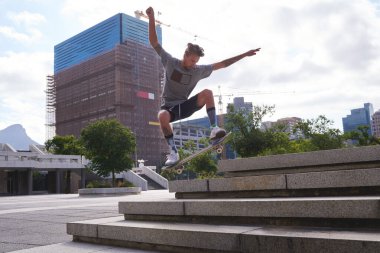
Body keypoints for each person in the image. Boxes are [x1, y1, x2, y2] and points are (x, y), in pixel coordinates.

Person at [146, 6, 261, 166]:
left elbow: (222, 64)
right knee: (161, 116)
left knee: (207, 92)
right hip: (170, 108)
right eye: (193, 61)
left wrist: (244, 55)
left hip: (185, 105)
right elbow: (154, 42)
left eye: (197, 62)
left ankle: (214, 129)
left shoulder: (199, 70)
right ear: (185, 56)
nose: (194, 65)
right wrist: (151, 17)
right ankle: (173, 152)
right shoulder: (170, 62)